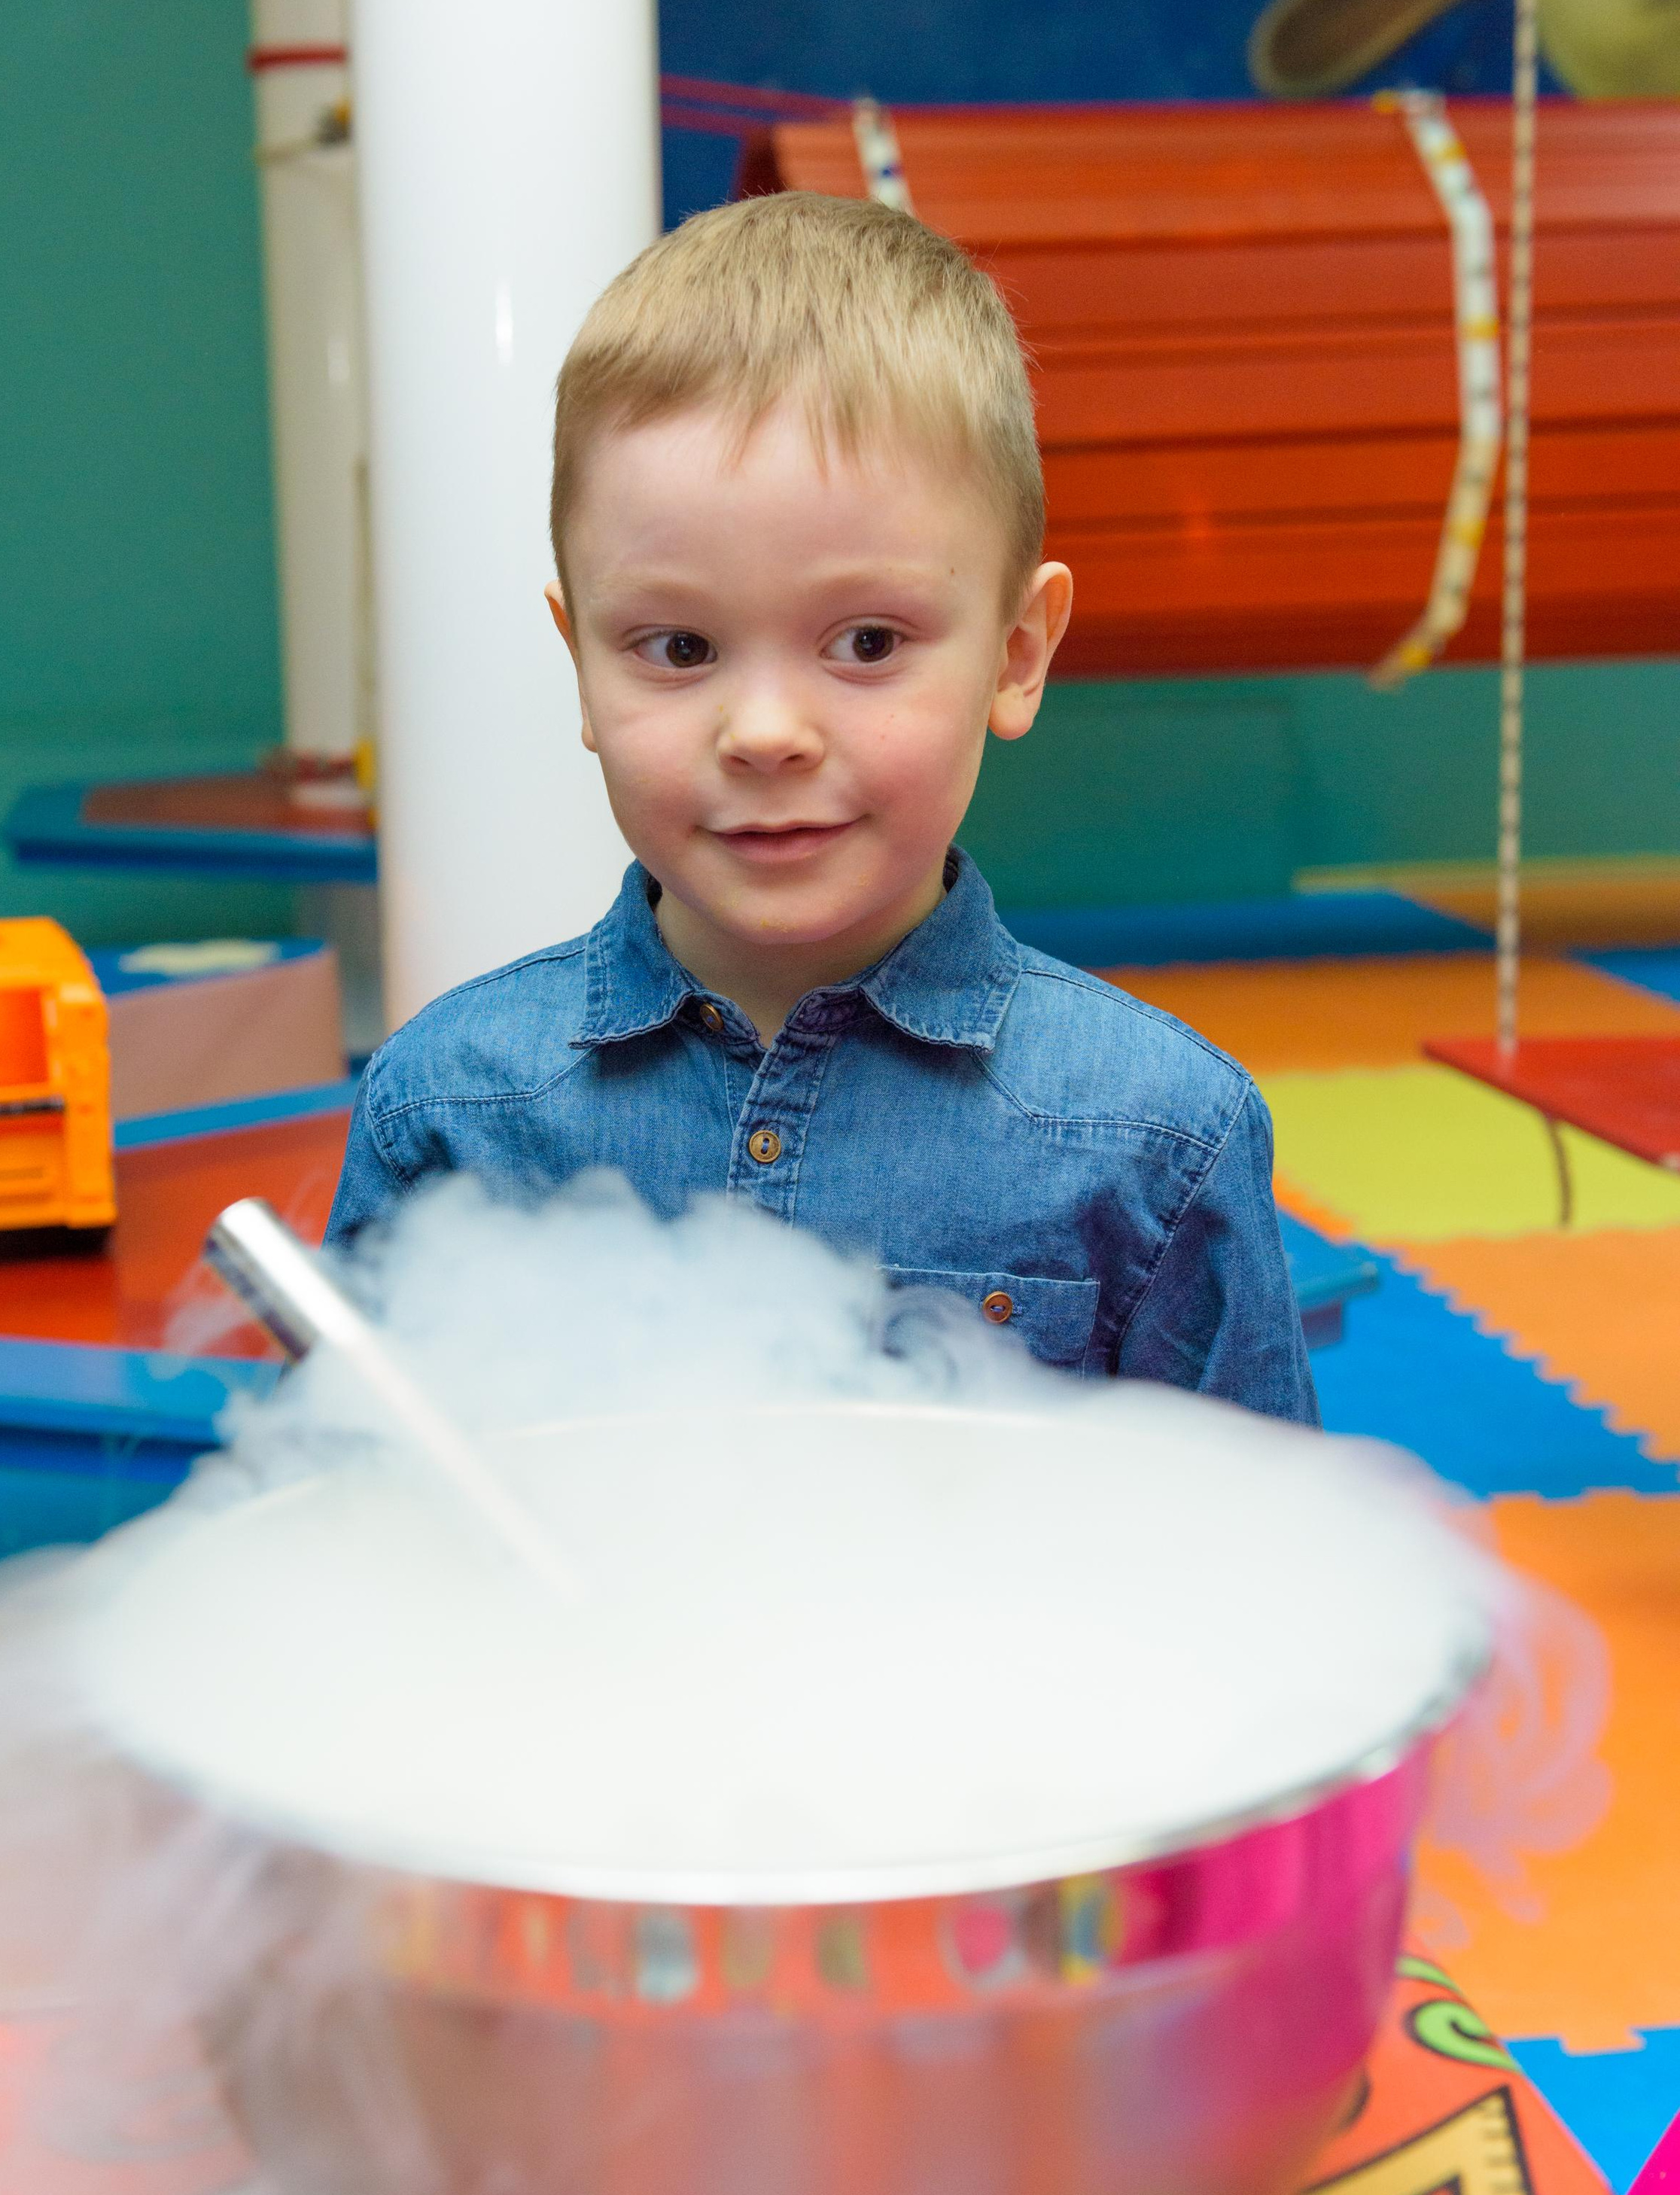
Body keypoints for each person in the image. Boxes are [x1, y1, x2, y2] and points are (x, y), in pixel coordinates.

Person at [329, 192, 1316, 1420]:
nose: (766, 733)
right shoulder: (449, 1106)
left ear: (1016, 654)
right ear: (578, 659)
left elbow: (1262, 1576)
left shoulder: (1156, 1136)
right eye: (679, 647)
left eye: (864, 639)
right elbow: (354, 1533)